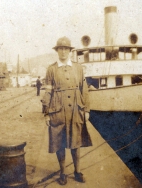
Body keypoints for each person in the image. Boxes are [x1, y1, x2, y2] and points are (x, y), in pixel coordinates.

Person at [42, 36, 92, 185]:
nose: (63, 52)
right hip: (58, 110)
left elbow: (84, 90)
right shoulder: (51, 69)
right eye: (60, 49)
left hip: (76, 109)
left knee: (76, 142)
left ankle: (77, 171)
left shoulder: (78, 68)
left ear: (70, 51)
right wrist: (46, 112)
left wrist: (87, 109)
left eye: (66, 49)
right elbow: (48, 92)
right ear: (57, 51)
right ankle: (63, 173)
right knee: (60, 142)